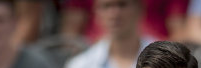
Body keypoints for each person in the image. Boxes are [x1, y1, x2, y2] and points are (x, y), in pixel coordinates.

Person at [60, 0, 189, 44]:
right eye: (107, 6)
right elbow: (70, 33)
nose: (115, 14)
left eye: (122, 4)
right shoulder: (80, 65)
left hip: (156, 59)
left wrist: (163, 57)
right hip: (93, 58)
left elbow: (179, 32)